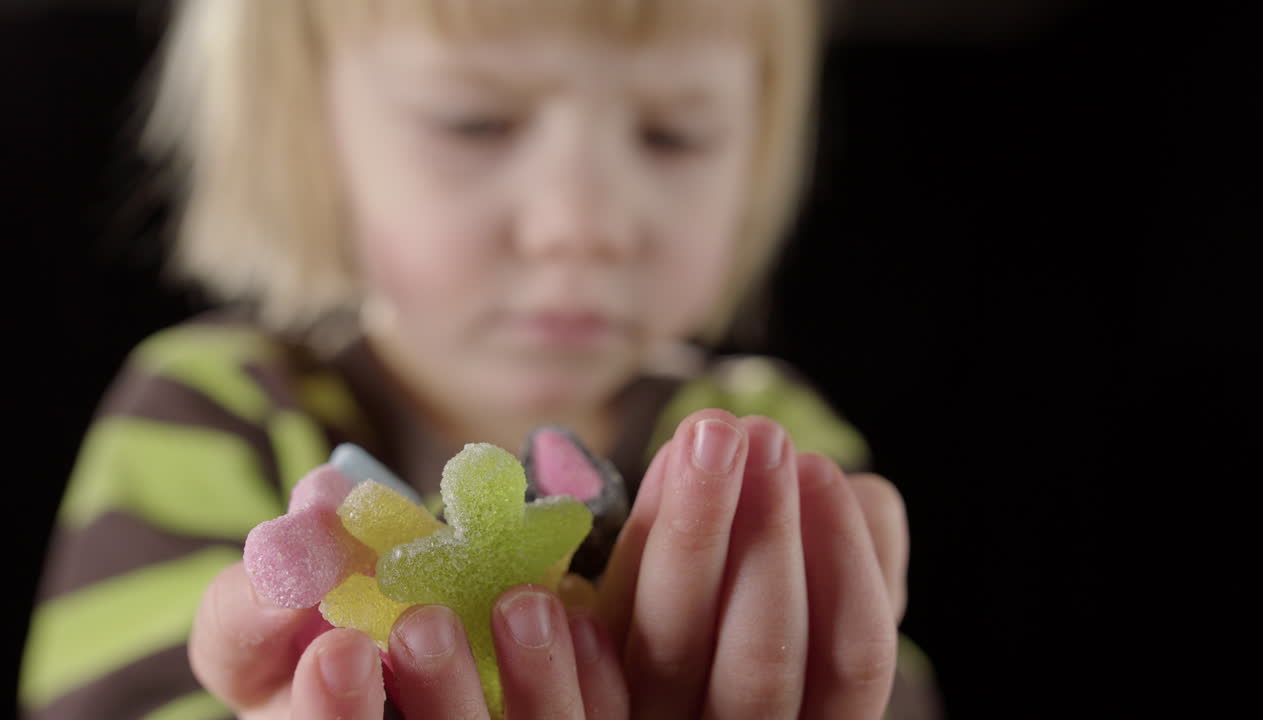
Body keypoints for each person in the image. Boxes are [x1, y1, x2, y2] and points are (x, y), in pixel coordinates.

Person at [21, 0, 942, 718]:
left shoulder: (766, 432)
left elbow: (881, 687)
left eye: (674, 134)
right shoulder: (214, 402)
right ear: (308, 130)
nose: (582, 227)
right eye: (474, 123)